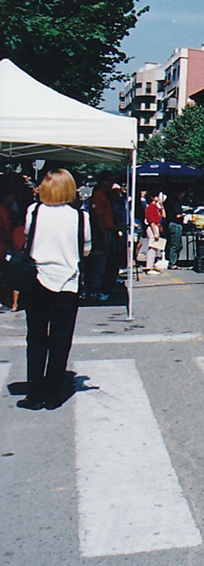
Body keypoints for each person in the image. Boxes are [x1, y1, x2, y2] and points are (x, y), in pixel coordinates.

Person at [18, 169, 91, 410]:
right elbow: (86, 249)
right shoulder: (80, 217)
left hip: (37, 279)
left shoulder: (34, 211)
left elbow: (27, 238)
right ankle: (53, 394)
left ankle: (34, 394)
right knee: (61, 339)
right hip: (68, 282)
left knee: (36, 338)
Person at [144, 192, 164, 274]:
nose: (158, 198)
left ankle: (151, 265)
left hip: (156, 226)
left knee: (155, 248)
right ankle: (149, 267)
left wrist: (162, 206)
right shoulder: (151, 207)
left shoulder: (156, 207)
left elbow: (163, 216)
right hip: (153, 228)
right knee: (152, 247)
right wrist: (155, 233)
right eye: (156, 196)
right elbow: (151, 221)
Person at [164, 190, 185, 268]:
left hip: (170, 223)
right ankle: (172, 262)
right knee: (175, 245)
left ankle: (172, 260)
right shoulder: (175, 202)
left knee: (174, 244)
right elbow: (177, 215)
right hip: (176, 224)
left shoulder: (168, 201)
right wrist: (183, 214)